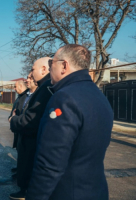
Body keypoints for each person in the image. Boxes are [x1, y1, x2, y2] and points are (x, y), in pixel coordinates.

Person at [26, 44, 113, 200]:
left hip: (67, 192)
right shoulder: (100, 97)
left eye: (52, 63)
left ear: (64, 66)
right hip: (96, 190)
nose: (50, 68)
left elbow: (50, 165)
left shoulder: (64, 98)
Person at [9, 57, 52, 200]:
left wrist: (14, 120)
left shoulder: (45, 89)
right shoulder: (45, 87)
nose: (31, 75)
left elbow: (31, 120)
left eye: (33, 70)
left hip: (32, 141)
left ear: (44, 69)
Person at [8, 80, 28, 174]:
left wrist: (13, 118)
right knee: (18, 149)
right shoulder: (20, 97)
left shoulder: (25, 97)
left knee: (23, 152)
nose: (14, 89)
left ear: (21, 86)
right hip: (17, 128)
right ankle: (19, 167)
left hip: (21, 128)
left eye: (15, 87)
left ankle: (21, 171)